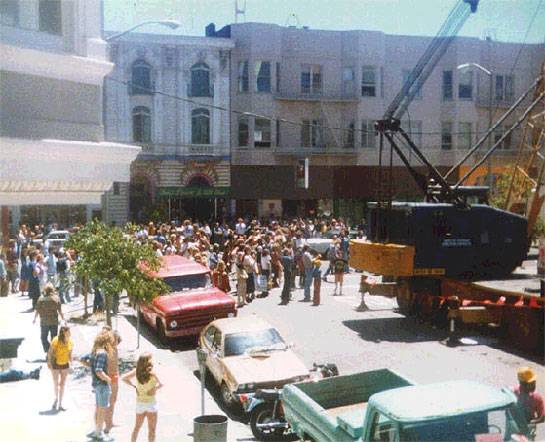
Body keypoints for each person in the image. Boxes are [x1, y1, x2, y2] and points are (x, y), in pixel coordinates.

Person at [122, 353, 163, 442]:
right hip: (151, 404)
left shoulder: (137, 371)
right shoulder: (152, 373)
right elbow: (161, 384)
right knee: (152, 430)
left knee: (137, 427)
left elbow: (124, 378)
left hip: (140, 404)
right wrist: (154, 389)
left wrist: (134, 386)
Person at [80, 332, 113, 442]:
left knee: (98, 409)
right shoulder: (103, 353)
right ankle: (100, 434)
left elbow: (82, 359)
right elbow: (99, 370)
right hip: (102, 385)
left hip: (96, 385)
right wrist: (108, 379)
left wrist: (91, 367)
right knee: (102, 410)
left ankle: (97, 431)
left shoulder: (94, 352)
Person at [512, 367, 544, 435]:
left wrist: (531, 423)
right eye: (529, 383)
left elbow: (542, 417)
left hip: (528, 431)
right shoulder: (513, 393)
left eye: (533, 382)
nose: (533, 386)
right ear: (521, 383)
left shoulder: (537, 398)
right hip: (513, 428)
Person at [47, 325, 73, 411]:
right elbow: (50, 352)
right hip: (55, 364)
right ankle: (56, 398)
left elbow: (70, 354)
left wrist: (71, 365)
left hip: (65, 364)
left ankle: (60, 403)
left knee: (62, 384)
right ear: (64, 332)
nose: (70, 333)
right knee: (55, 383)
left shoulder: (70, 342)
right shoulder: (55, 340)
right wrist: (49, 362)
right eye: (68, 332)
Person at [33, 283, 64, 354]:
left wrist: (34, 319)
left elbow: (37, 310)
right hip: (54, 321)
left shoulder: (41, 299)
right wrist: (63, 319)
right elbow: (60, 311)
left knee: (43, 338)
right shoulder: (56, 298)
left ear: (45, 290)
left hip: (44, 322)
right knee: (54, 338)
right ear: (52, 290)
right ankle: (53, 351)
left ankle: (48, 349)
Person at [105, 330, 121, 434]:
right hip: (108, 377)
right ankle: (107, 424)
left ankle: (110, 422)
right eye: (116, 340)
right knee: (108, 401)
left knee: (113, 400)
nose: (117, 342)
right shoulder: (106, 350)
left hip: (115, 376)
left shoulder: (115, 349)